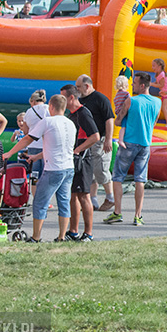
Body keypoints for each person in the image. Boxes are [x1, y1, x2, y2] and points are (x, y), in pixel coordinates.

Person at [3, 94, 75, 243]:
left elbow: (28, 138)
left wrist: (10, 152)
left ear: (51, 107)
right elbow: (58, 147)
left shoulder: (47, 121)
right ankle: (62, 237)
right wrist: (37, 157)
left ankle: (36, 237)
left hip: (53, 169)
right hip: (68, 168)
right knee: (63, 202)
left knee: (40, 202)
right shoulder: (70, 124)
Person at [107, 72, 161, 225]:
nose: (132, 85)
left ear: (142, 85)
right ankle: (138, 215)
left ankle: (117, 212)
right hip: (145, 144)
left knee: (117, 177)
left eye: (135, 83)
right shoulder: (157, 102)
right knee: (140, 180)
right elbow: (154, 122)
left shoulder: (131, 101)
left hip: (129, 142)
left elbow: (118, 121)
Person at [60, 84, 100, 242]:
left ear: (71, 97)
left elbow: (95, 136)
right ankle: (73, 231)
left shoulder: (83, 113)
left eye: (64, 98)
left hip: (84, 159)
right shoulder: (71, 115)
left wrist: (78, 150)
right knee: (73, 195)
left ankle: (89, 233)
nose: (62, 101)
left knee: (84, 195)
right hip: (74, 160)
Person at [75, 75, 115, 212]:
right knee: (89, 171)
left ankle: (110, 197)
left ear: (87, 86)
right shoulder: (81, 100)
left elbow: (109, 119)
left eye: (79, 87)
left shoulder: (100, 99)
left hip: (100, 139)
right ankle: (93, 199)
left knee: (101, 169)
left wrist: (108, 139)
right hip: (87, 140)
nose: (77, 89)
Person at [23, 90, 49, 194]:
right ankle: (46, 200)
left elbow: (25, 131)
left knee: (34, 175)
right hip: (46, 146)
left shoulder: (29, 111)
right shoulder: (48, 109)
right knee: (46, 174)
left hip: (33, 146)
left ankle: (35, 198)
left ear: (32, 101)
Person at [150, 58, 167, 125]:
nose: (152, 67)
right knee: (161, 108)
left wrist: (151, 84)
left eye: (154, 66)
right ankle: (155, 122)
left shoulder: (162, 74)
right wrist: (151, 83)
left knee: (164, 108)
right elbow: (157, 82)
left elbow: (161, 85)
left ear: (159, 66)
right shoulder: (158, 74)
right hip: (164, 94)